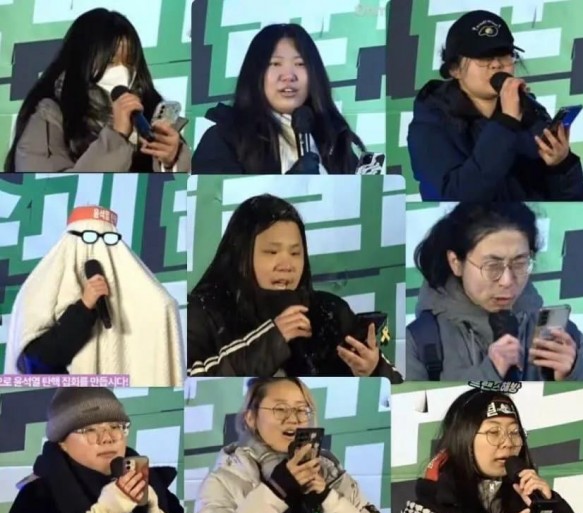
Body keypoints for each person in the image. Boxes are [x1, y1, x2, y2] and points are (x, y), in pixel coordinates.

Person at [192, 376, 390, 513]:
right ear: (251, 418)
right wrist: (276, 491)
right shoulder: (227, 478)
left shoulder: (332, 476)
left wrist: (326, 498)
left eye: (301, 410)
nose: (293, 419)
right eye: (280, 409)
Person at [187, 193, 403, 381]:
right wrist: (273, 338)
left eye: (295, 253)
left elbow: (397, 386)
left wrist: (373, 370)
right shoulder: (202, 311)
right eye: (272, 252)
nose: (287, 265)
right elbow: (193, 382)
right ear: (240, 254)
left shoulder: (329, 311)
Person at [394, 387, 583, 513]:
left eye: (515, 432)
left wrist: (555, 508)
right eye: (493, 432)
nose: (508, 443)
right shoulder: (428, 511)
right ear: (463, 438)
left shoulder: (528, 505)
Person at [1, 386, 185, 513]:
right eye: (89, 429)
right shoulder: (36, 499)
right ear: (62, 442)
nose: (107, 438)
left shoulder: (151, 484)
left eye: (115, 426)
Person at [407, 9, 583, 201]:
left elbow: (574, 204)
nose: (497, 65)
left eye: (504, 55)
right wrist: (506, 123)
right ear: (454, 69)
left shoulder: (531, 112)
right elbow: (452, 197)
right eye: (484, 57)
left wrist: (561, 165)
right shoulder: (432, 123)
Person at [405, 203, 583, 382]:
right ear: (456, 263)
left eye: (520, 263)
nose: (507, 281)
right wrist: (489, 373)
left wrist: (572, 376)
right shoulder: (420, 341)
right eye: (492, 266)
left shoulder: (562, 336)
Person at [5, 205, 184, 385]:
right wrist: (84, 308)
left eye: (107, 239)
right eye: (88, 238)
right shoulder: (38, 288)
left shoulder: (149, 296)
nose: (99, 248)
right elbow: (35, 362)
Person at [4, 8, 191, 173]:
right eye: (111, 62)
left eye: (128, 63)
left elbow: (184, 193)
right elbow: (48, 189)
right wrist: (117, 136)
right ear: (82, 60)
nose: (121, 71)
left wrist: (171, 161)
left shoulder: (148, 116)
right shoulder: (50, 115)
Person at [193, 23, 371, 175]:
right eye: (275, 63)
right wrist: (289, 186)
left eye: (300, 64)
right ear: (255, 73)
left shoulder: (334, 140)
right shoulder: (224, 139)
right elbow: (213, 201)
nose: (288, 75)